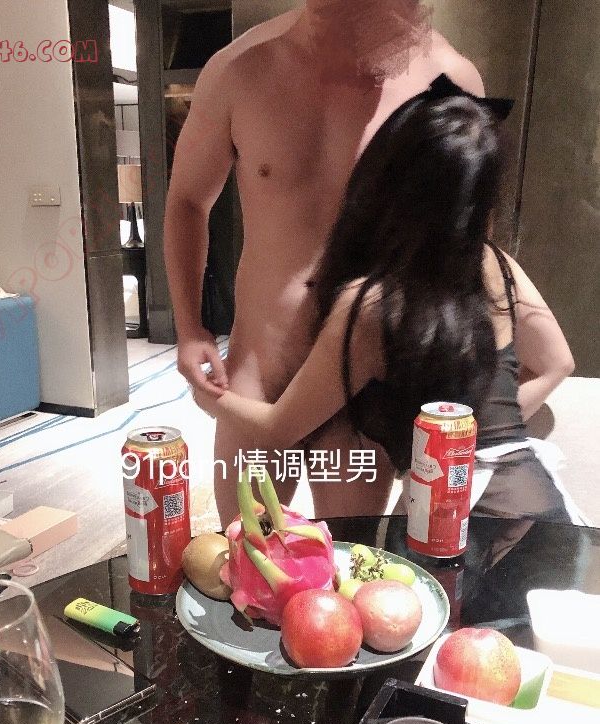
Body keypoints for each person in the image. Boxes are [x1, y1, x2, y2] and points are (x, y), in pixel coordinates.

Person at [194, 80, 578, 525]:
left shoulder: (373, 305)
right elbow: (558, 362)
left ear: (384, 182)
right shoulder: (498, 265)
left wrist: (208, 397)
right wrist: (474, 432)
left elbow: (279, 428)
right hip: (541, 503)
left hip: (451, 520)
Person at [165, 0, 485, 526]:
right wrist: (188, 326)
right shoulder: (239, 69)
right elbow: (186, 200)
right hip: (258, 368)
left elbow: (461, 245)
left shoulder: (449, 81)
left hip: (359, 379)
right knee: (249, 552)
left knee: (350, 555)